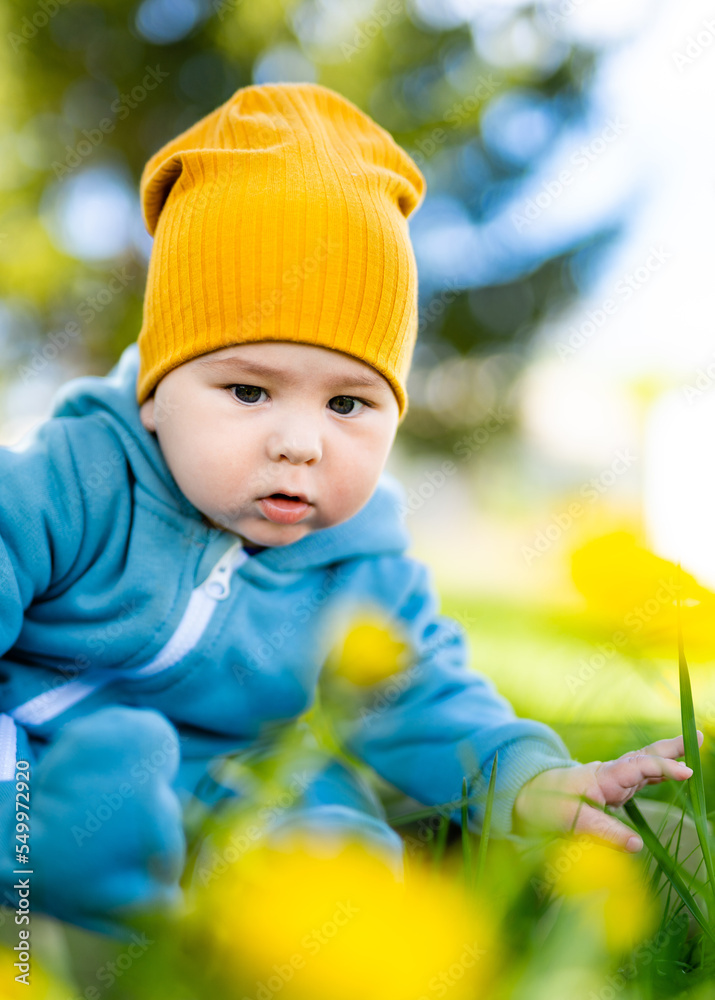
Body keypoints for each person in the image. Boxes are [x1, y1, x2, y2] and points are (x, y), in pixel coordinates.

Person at [0, 82, 697, 937]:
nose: (301, 443)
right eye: (249, 389)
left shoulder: (358, 558)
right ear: (156, 393)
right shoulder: (75, 480)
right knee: (51, 867)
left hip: (247, 784)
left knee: (344, 866)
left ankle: (547, 859)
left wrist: (521, 774)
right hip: (37, 767)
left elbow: (417, 693)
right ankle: (74, 891)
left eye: (347, 405)